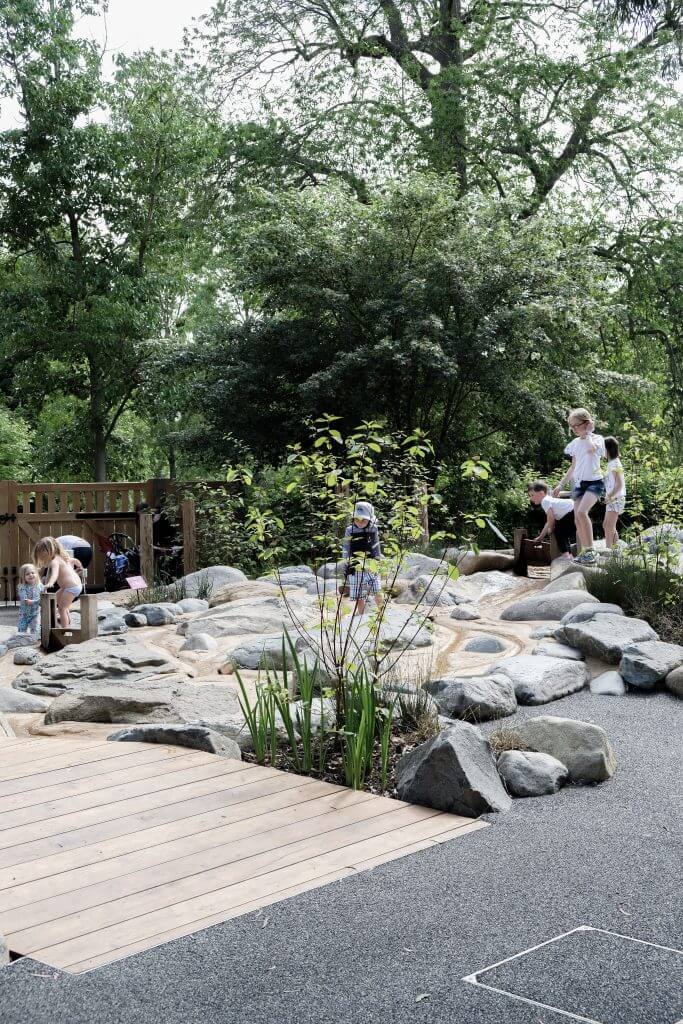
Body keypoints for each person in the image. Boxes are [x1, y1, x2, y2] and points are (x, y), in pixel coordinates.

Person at [553, 407, 606, 565]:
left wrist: (588, 433)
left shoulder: (596, 439)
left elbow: (591, 450)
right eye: (571, 426)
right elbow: (573, 467)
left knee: (582, 512)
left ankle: (591, 551)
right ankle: (585, 552)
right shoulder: (574, 443)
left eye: (576, 425)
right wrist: (561, 484)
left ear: (587, 423)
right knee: (577, 519)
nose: (574, 429)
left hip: (595, 483)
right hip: (579, 485)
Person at [342, 501, 383, 615]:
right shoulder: (350, 530)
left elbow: (376, 545)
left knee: (377, 589)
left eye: (363, 520)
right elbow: (346, 547)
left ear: (370, 519)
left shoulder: (373, 528)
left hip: (371, 564)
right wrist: (346, 563)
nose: (360, 522)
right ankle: (362, 615)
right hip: (355, 565)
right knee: (358, 594)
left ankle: (381, 612)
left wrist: (378, 559)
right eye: (357, 519)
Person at [33, 537, 83, 628]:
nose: (43, 560)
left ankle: (65, 630)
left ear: (49, 551)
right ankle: (66, 622)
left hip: (71, 587)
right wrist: (79, 566)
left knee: (62, 609)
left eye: (43, 557)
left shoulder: (54, 561)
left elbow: (54, 575)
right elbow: (74, 560)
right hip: (70, 586)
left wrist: (50, 583)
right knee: (55, 600)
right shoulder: (61, 557)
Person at [527, 481, 576, 559]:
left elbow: (550, 518)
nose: (531, 498)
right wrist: (541, 537)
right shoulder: (549, 499)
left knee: (558, 531)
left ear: (541, 493)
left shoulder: (544, 501)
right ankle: (569, 555)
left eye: (532, 495)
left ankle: (566, 556)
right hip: (574, 510)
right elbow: (549, 521)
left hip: (572, 512)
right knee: (562, 534)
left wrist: (550, 528)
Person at [603, 436, 626, 548]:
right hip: (612, 498)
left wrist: (609, 496)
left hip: (616, 498)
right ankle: (616, 550)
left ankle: (608, 552)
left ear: (608, 449)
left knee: (609, 527)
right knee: (607, 525)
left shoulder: (615, 463)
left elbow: (619, 485)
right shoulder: (612, 463)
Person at [17, 563, 43, 640]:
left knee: (35, 628)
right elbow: (25, 600)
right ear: (23, 577)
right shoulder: (22, 587)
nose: (31, 575)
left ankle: (34, 640)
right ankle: (21, 640)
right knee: (22, 628)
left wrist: (35, 601)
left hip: (35, 613)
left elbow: (43, 597)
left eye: (33, 573)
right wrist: (31, 601)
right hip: (24, 613)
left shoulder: (40, 586)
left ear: (36, 574)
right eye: (27, 574)